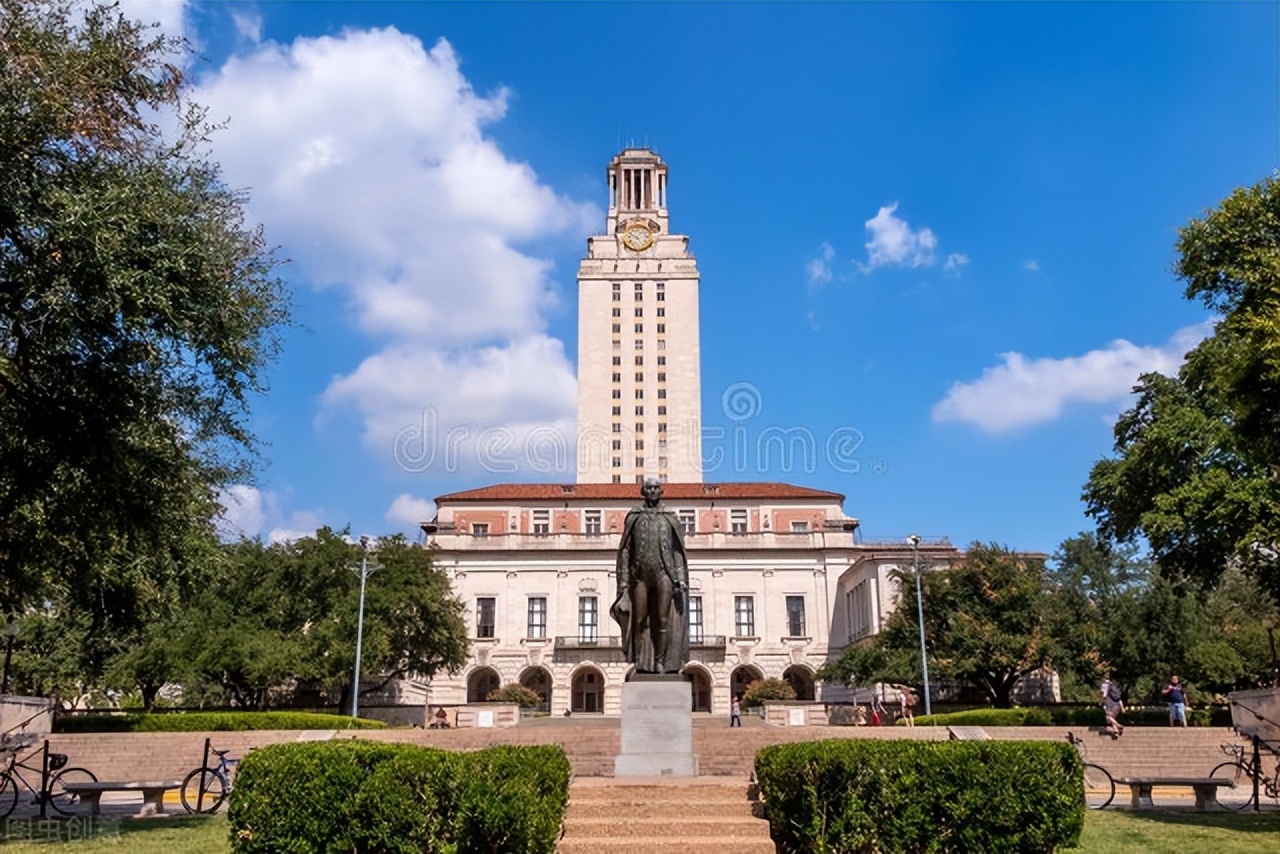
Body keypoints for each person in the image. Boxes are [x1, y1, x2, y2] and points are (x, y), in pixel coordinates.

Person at [611, 479, 690, 673]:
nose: (652, 491)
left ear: (661, 491)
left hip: (665, 574)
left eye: (655, 488)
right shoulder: (634, 517)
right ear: (643, 491)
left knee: (662, 620)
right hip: (640, 577)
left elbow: (677, 550)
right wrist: (623, 585)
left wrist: (680, 578)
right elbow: (626, 550)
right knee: (639, 619)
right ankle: (640, 661)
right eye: (648, 488)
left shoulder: (669, 517)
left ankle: (660, 661)